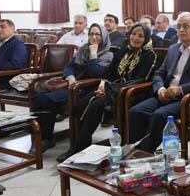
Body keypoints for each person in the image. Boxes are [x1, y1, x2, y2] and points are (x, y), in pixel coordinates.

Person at [56, 23, 157, 161]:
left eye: (140, 36)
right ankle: (81, 145)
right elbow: (110, 73)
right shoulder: (123, 50)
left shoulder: (149, 55)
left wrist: (111, 88)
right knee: (81, 104)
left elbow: (140, 79)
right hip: (111, 89)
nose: (135, 38)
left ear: (146, 38)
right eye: (133, 34)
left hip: (131, 94)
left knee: (95, 106)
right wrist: (103, 84)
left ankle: (79, 148)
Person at [130, 12, 190, 153]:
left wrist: (181, 89)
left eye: (186, 26)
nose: (181, 30)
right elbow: (159, 74)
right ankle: (134, 149)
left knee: (159, 115)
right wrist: (160, 89)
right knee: (136, 111)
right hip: (166, 95)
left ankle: (143, 153)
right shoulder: (173, 49)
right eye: (178, 27)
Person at [31, 23, 113, 156]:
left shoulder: (108, 55)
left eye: (97, 34)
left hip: (85, 89)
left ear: (103, 36)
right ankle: (42, 137)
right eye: (91, 34)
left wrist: (93, 54)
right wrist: (70, 77)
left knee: (44, 99)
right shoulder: (83, 50)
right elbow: (69, 67)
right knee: (38, 97)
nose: (93, 37)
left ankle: (45, 138)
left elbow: (96, 73)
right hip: (72, 85)